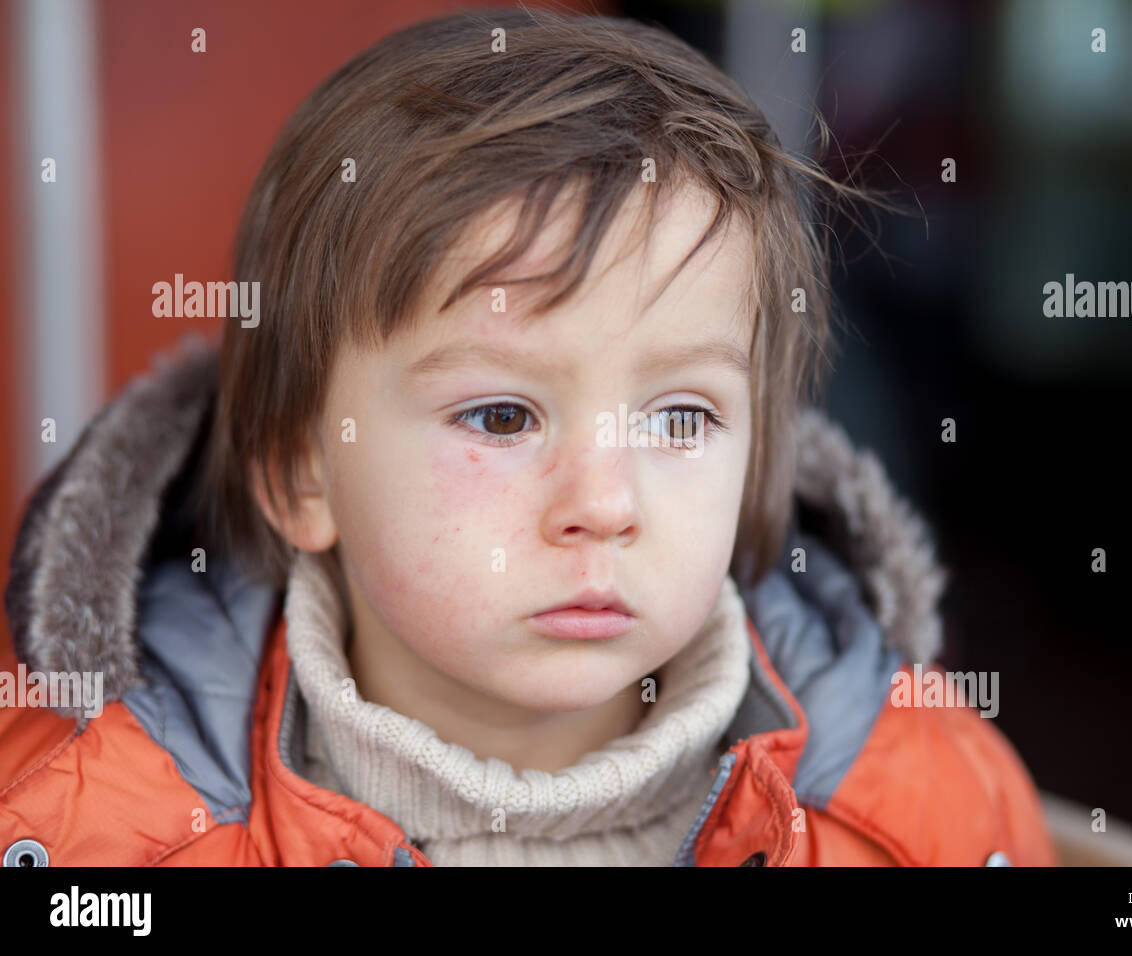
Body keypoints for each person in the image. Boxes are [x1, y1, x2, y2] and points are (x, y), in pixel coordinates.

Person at [0, 8, 1056, 866]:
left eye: (681, 418)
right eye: (502, 415)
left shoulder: (914, 807)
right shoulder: (88, 826)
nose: (605, 500)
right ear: (296, 467)